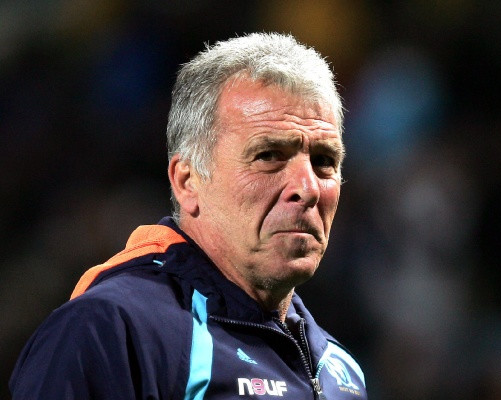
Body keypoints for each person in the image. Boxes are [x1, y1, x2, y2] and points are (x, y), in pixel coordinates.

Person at [10, 32, 367, 399]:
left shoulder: (341, 371)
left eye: (324, 161)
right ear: (187, 181)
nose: (308, 188)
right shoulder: (113, 332)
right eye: (269, 156)